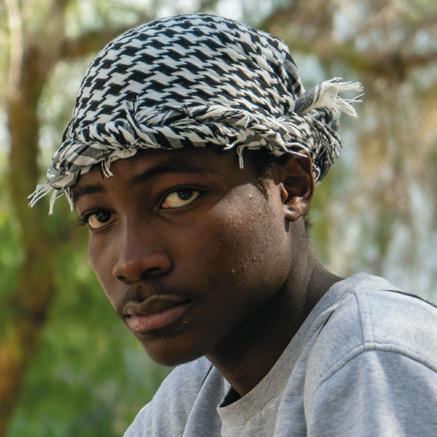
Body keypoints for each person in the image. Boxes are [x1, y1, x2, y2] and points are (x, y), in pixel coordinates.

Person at [29, 13, 437, 437]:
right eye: (99, 216)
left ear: (291, 186)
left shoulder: (371, 356)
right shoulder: (192, 401)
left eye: (179, 196)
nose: (130, 262)